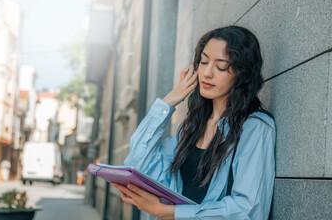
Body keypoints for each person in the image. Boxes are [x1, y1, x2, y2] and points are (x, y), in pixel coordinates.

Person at [112, 26, 276, 219]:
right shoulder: (192, 127)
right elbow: (138, 164)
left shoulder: (255, 126)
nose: (207, 73)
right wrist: (168, 101)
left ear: (242, 74)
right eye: (203, 62)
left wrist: (169, 213)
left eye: (221, 66)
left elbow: (248, 209)